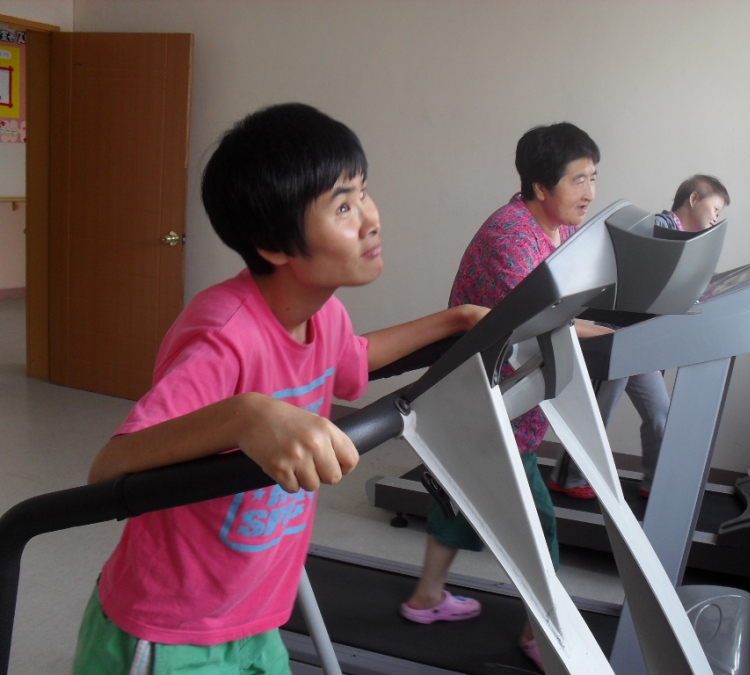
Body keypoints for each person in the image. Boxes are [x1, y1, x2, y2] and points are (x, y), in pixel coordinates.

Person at [71, 102, 488, 675]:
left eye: (364, 193)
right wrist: (244, 416)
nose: (371, 219)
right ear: (274, 244)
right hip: (173, 630)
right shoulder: (224, 336)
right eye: (343, 206)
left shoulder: (325, 315)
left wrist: (457, 320)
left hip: (257, 615)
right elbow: (108, 471)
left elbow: (355, 361)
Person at [399, 122, 612, 673]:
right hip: (484, 399)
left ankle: (426, 596)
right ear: (541, 187)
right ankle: (543, 635)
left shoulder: (557, 229)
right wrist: (613, 333)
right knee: (539, 523)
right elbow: (540, 320)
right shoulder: (509, 238)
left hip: (508, 394)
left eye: (593, 177)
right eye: (578, 180)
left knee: (461, 495)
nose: (590, 191)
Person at [550, 174, 730, 499]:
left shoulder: (688, 245)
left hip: (641, 340)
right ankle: (567, 478)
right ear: (693, 199)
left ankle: (654, 483)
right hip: (615, 333)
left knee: (659, 412)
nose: (716, 217)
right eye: (715, 208)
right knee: (599, 410)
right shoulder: (657, 228)